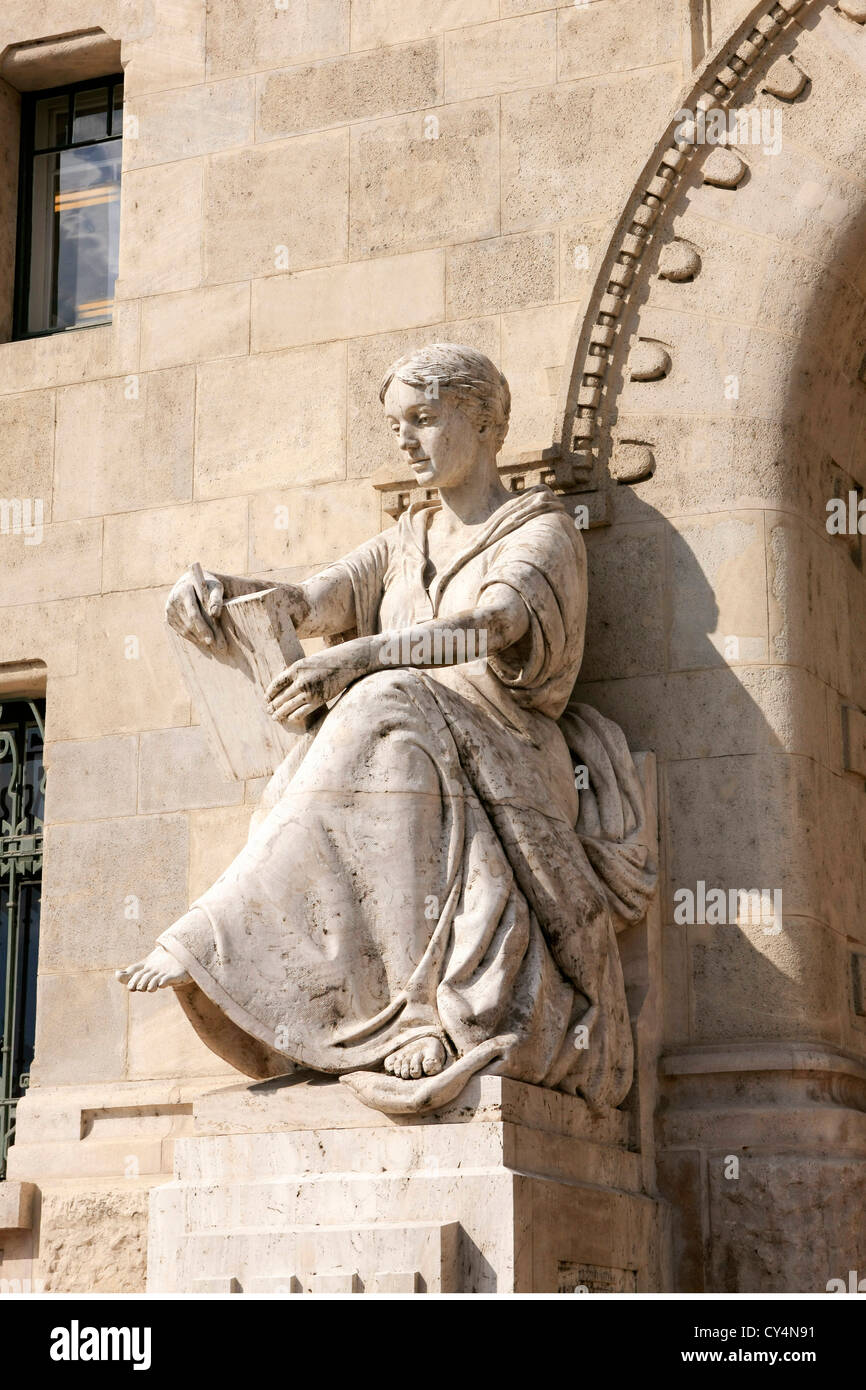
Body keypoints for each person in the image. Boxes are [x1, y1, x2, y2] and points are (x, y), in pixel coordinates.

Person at [116, 343, 653, 1115]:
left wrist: (362, 659)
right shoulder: (406, 538)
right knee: (378, 729)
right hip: (410, 740)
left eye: (425, 419)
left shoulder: (540, 530)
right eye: (396, 423)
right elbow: (308, 600)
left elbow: (493, 624)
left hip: (516, 755)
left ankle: (239, 942)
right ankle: (373, 1006)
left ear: (484, 422)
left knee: (383, 700)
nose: (405, 440)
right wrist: (214, 593)